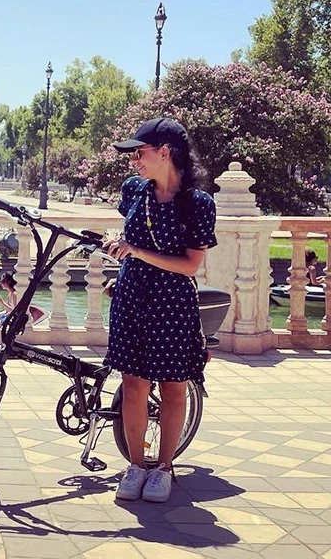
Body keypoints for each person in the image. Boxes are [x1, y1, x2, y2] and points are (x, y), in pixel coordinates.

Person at [103, 117, 217, 503]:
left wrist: (136, 252)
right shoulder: (134, 191)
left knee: (172, 387)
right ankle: (135, 465)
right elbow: (133, 233)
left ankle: (164, 466)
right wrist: (121, 242)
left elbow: (190, 265)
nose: (134, 161)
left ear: (165, 153)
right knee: (133, 385)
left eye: (140, 153)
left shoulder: (198, 204)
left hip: (172, 301)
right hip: (133, 295)